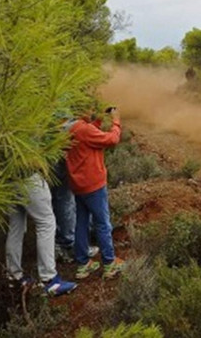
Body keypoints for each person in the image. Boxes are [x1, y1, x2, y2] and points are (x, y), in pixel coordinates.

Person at [67, 104, 125, 280]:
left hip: (78, 185)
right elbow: (111, 140)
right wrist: (116, 122)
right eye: (88, 108)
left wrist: (99, 119)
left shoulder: (70, 128)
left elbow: (89, 135)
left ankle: (83, 265)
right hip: (93, 184)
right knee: (102, 223)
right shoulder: (83, 130)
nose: (91, 111)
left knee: (81, 223)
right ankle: (109, 263)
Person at [5, 172, 77, 296]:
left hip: (6, 179)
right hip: (28, 175)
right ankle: (49, 279)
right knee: (46, 222)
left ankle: (14, 276)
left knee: (16, 228)